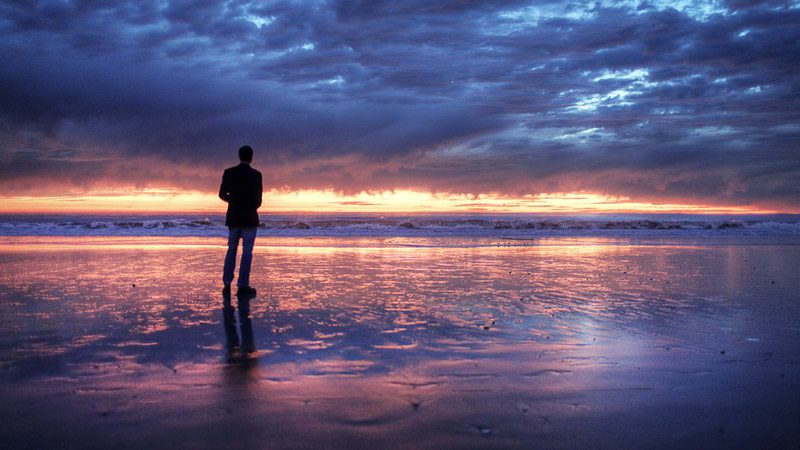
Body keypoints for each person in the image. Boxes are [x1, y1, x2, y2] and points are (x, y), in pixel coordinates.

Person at [220, 145, 263, 297]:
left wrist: (234, 201)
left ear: (239, 156)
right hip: (250, 218)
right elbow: (258, 200)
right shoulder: (256, 175)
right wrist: (249, 206)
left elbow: (221, 194)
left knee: (231, 249)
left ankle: (226, 281)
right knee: (247, 252)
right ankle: (243, 285)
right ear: (251, 157)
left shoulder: (229, 172)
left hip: (234, 216)